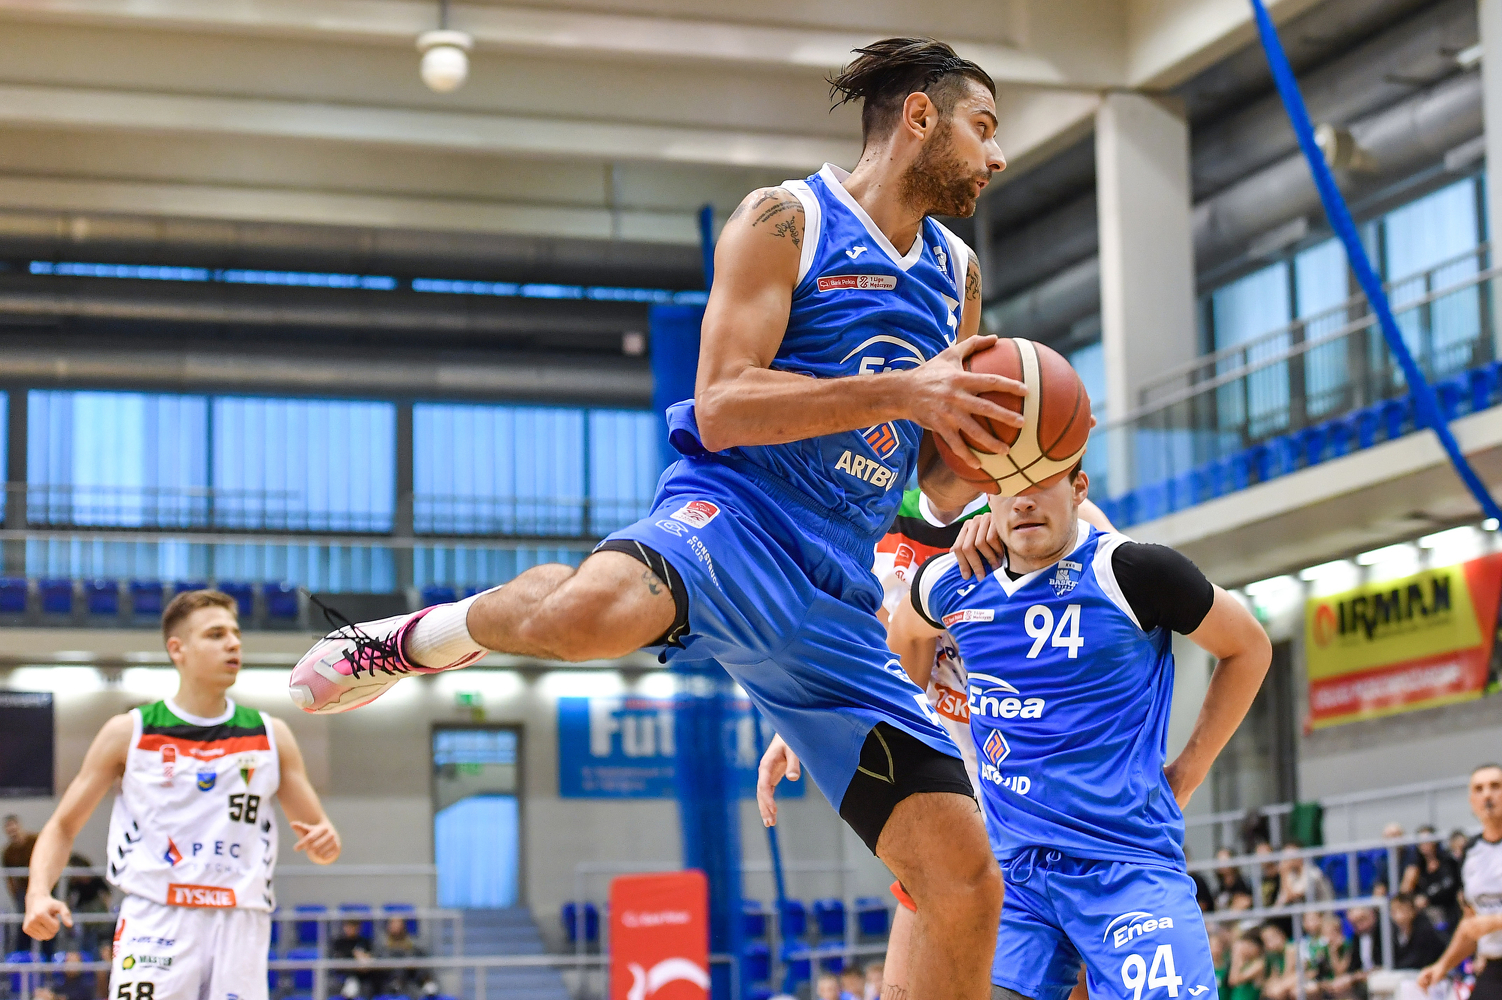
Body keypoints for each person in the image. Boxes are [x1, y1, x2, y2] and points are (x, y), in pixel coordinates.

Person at [292, 37, 1016, 1000]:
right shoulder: (785, 219)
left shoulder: (959, 271)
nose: (995, 155)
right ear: (920, 116)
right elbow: (721, 403)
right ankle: (415, 639)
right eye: (983, 127)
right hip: (737, 520)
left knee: (966, 882)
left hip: (840, 588)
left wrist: (1009, 467)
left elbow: (934, 473)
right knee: (585, 620)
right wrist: (904, 391)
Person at [884, 465, 1272, 1000]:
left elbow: (1249, 647)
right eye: (1008, 486)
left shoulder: (1132, 572)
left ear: (1078, 489)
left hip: (1125, 866)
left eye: (1041, 481)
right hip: (1015, 876)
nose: (1024, 500)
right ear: (988, 498)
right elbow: (903, 638)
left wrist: (1187, 773)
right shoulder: (949, 579)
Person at [759, 486, 1115, 1000]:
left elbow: (1128, 621)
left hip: (1051, 806)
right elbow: (869, 656)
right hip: (957, 800)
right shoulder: (871, 522)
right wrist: (801, 721)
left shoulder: (1040, 508)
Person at [22, 590, 342, 1000]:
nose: (233, 643)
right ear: (178, 649)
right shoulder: (130, 731)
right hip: (156, 917)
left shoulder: (271, 735)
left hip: (240, 920)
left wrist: (326, 844)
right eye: (216, 634)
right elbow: (62, 826)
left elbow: (320, 841)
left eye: (236, 633)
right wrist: (37, 893)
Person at [1417, 763, 1502, 1000]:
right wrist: (1441, 966)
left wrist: (1494, 922)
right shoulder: (1470, 853)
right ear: (1471, 800)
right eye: (1479, 789)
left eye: (1495, 786)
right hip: (1495, 967)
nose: (1487, 795)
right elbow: (1470, 924)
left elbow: (1484, 923)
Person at [1403, 826, 1462, 931]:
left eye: (1428, 840)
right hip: (1426, 913)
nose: (1425, 844)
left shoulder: (1447, 861)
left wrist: (1427, 897)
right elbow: (1405, 891)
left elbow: (1450, 883)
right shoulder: (1417, 867)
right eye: (1421, 841)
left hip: (1448, 907)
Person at [4, 815, 43, 954]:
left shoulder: (34, 841)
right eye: (9, 830)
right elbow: (9, 877)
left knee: (43, 920)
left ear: (19, 826)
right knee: (24, 922)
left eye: (14, 828)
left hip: (41, 888)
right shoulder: (8, 852)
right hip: (23, 892)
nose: (13, 832)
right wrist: (16, 894)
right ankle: (24, 953)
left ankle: (46, 953)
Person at [377, 917, 437, 997]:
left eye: (399, 923)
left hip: (409, 976)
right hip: (389, 977)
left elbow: (415, 955)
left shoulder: (410, 943)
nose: (397, 926)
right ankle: (396, 984)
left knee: (420, 960)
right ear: (388, 926)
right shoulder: (382, 944)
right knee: (399, 964)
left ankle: (427, 983)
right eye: (394, 923)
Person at [1389, 892, 1445, 970]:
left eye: (1401, 909)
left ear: (1412, 910)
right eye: (1393, 911)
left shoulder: (1424, 928)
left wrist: (1395, 967)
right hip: (1406, 970)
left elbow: (1419, 959)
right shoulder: (1392, 930)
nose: (1397, 914)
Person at [332, 918, 375, 998]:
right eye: (349, 926)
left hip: (362, 976)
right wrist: (356, 958)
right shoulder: (339, 943)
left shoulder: (364, 942)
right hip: (343, 976)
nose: (351, 929)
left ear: (359, 927)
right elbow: (338, 962)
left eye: (354, 926)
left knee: (370, 986)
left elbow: (369, 959)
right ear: (344, 927)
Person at [1227, 931, 1266, 1000]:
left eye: (1250, 946)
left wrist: (1236, 957)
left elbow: (1234, 980)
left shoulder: (1259, 964)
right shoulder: (1244, 962)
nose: (1246, 949)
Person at [1215, 848, 1254, 912]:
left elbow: (1247, 901)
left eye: (1225, 860)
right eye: (1219, 861)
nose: (1222, 864)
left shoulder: (1243, 883)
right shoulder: (1220, 886)